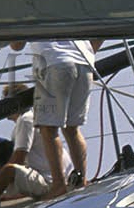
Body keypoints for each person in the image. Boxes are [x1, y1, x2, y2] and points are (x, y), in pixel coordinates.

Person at [10, 39, 98, 196]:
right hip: (85, 63)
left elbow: (16, 45)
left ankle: (58, 185)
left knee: (48, 128)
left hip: (54, 62)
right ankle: (81, 180)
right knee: (72, 129)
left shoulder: (26, 13)